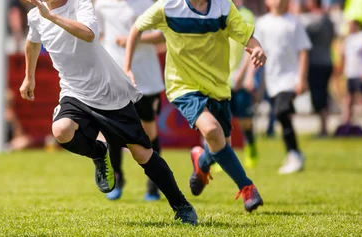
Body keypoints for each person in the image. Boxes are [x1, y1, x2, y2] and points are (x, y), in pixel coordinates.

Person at [21, 0, 197, 224]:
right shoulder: (36, 16)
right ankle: (98, 152)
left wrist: (52, 17)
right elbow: (32, 42)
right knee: (61, 130)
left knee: (141, 153)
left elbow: (88, 34)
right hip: (75, 93)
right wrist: (29, 76)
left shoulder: (79, 4)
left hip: (109, 92)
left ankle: (180, 204)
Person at [124, 0, 267, 212]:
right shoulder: (168, 6)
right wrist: (127, 67)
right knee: (211, 130)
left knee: (220, 143)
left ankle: (201, 161)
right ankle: (247, 187)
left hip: (218, 88)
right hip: (183, 86)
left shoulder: (223, 7)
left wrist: (258, 49)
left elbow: (246, 36)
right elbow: (136, 28)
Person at [94, 0, 165, 202]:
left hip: (145, 78)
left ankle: (154, 182)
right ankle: (117, 176)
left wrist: (133, 39)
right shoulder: (101, 5)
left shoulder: (148, 4)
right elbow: (98, 36)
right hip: (114, 75)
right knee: (112, 127)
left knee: (148, 131)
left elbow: (163, 35)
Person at [250, 0, 312, 174]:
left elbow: (304, 51)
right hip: (272, 80)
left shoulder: (294, 22)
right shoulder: (262, 23)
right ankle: (294, 152)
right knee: (282, 115)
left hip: (290, 78)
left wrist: (302, 78)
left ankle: (294, 154)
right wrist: (249, 76)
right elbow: (255, 50)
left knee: (281, 111)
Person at [228, 0, 258, 169]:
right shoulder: (215, 13)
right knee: (220, 120)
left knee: (244, 120)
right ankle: (219, 155)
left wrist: (245, 75)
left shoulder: (246, 15)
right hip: (219, 78)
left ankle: (251, 146)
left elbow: (251, 45)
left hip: (239, 76)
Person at [338, 19, 362, 143]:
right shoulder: (348, 39)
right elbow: (343, 56)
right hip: (350, 73)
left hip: (360, 74)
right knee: (348, 101)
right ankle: (347, 127)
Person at [300, 0, 336, 138]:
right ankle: (324, 128)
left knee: (319, 97)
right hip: (327, 60)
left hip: (316, 63)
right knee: (323, 95)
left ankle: (324, 129)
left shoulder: (315, 22)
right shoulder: (329, 20)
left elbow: (304, 38)